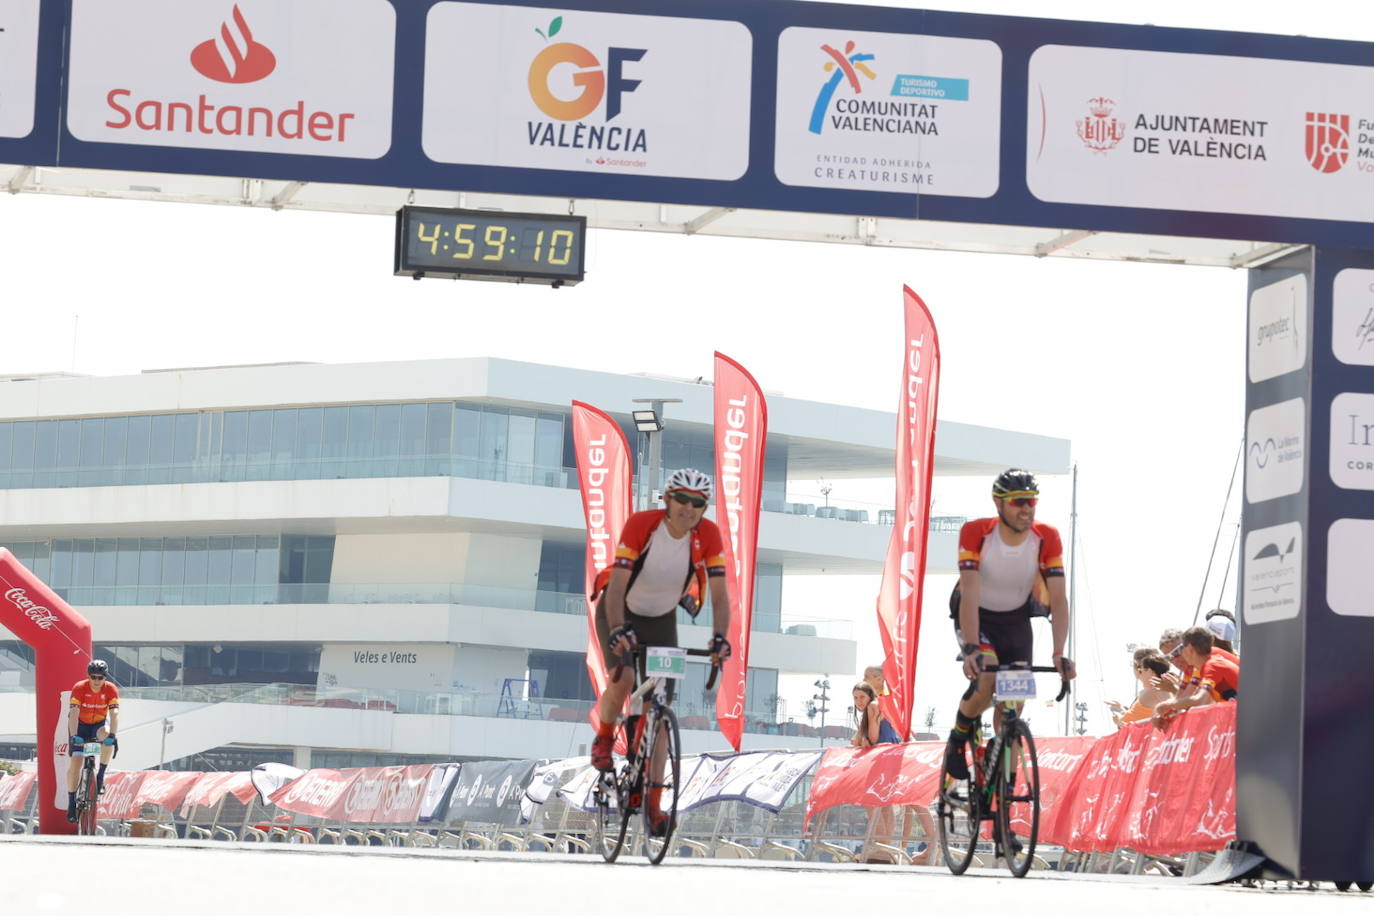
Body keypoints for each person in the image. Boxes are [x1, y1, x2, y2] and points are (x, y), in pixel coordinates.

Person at [587, 468, 731, 834]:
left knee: (661, 707)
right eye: (681, 499)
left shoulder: (708, 535)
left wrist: (719, 639)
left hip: (661, 618)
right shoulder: (643, 525)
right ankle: (605, 736)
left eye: (697, 503)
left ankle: (653, 806)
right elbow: (617, 586)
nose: (688, 508)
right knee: (625, 677)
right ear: (667, 500)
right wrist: (618, 629)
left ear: (704, 508)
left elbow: (718, 594)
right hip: (620, 609)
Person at [944, 469, 1075, 781]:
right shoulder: (976, 532)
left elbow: (1058, 599)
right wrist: (973, 649)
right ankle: (957, 740)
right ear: (999, 503)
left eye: (1032, 501)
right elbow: (971, 592)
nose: (1026, 508)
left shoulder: (1047, 536)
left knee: (1014, 708)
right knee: (987, 679)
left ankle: (1005, 804)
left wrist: (1059, 652)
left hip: (1016, 621)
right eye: (1018, 502)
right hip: (976, 615)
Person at [67, 659, 119, 823]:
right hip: (80, 726)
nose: (97, 681)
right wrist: (75, 735)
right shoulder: (79, 688)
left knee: (108, 736)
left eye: (100, 677)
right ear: (88, 676)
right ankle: (71, 803)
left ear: (105, 677)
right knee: (76, 764)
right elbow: (74, 713)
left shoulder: (110, 689)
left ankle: (100, 776)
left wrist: (113, 735)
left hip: (98, 725)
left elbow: (115, 714)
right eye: (93, 677)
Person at [1153, 626, 1239, 724]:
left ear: (1189, 648)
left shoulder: (1209, 661)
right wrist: (1161, 713)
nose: (1175, 660)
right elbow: (1182, 698)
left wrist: (1169, 704)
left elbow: (1199, 700)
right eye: (1169, 657)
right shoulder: (1192, 666)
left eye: (1176, 652)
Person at [1106, 649, 1171, 727]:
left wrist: (1120, 722)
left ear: (1149, 670)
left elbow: (1172, 709)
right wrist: (1121, 709)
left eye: (1141, 668)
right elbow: (1137, 718)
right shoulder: (1149, 691)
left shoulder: (1157, 690)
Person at [851, 682, 899, 746]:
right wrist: (862, 738)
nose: (858, 701)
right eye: (855, 698)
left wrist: (862, 738)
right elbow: (854, 741)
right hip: (891, 750)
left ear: (870, 697)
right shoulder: (869, 711)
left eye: (862, 697)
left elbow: (872, 740)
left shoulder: (873, 706)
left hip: (884, 750)